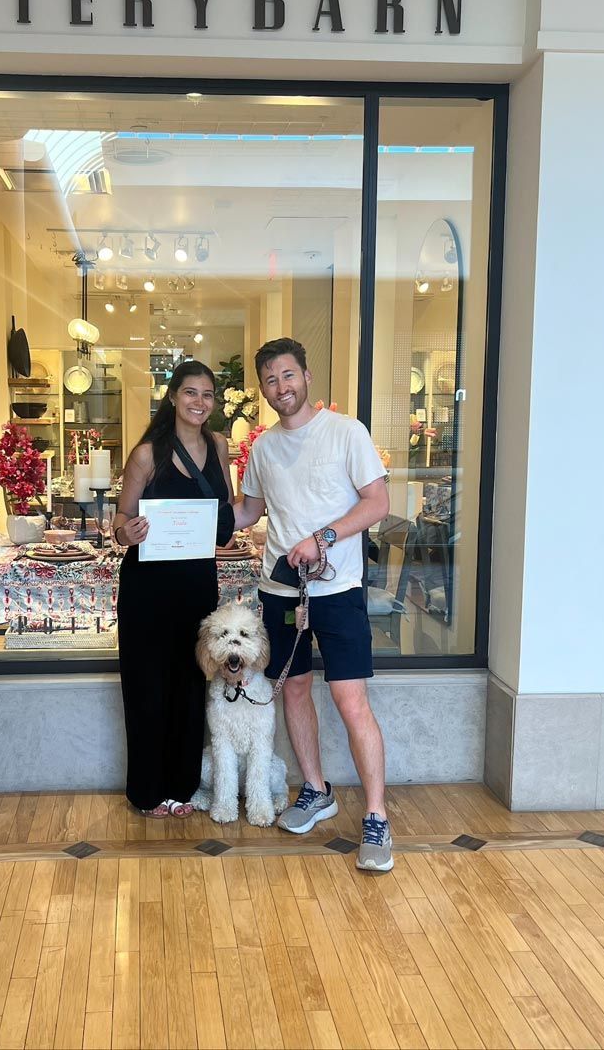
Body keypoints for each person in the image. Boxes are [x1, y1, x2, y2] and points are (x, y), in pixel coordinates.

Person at [234, 338, 394, 871]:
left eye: (288, 376)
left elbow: (378, 503)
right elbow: (249, 512)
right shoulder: (262, 448)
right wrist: (178, 515)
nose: (282, 388)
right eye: (271, 381)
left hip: (338, 592)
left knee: (351, 702)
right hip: (280, 594)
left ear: (306, 375)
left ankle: (376, 817)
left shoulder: (346, 433)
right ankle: (317, 791)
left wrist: (322, 538)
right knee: (294, 690)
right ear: (264, 390)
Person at [113, 360, 234, 818]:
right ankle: (147, 791)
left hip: (198, 583)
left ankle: (182, 787)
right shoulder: (147, 453)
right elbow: (119, 522)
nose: (199, 402)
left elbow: (224, 512)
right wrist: (130, 533)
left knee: (190, 685)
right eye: (190, 393)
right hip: (148, 587)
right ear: (172, 397)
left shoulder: (218, 447)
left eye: (207, 394)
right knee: (147, 687)